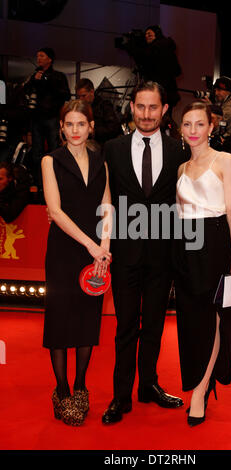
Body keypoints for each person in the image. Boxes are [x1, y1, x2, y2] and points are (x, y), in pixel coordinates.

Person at [102, 81, 187, 425]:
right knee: (125, 326)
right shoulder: (112, 148)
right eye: (141, 107)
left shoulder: (179, 149)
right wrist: (104, 245)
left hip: (162, 254)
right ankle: (120, 396)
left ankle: (148, 385)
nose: (147, 114)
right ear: (132, 107)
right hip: (124, 253)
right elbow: (105, 200)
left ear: (164, 110)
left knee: (153, 324)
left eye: (154, 107)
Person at [41, 99, 112, 426]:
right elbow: (55, 212)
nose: (74, 130)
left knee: (87, 319)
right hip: (63, 251)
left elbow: (107, 207)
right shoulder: (50, 161)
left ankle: (81, 385)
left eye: (80, 124)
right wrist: (91, 245)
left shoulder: (102, 161)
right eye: (68, 124)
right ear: (61, 128)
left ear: (91, 126)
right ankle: (62, 389)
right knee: (60, 319)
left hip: (96, 254)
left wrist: (105, 247)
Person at [173, 101, 231, 426]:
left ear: (211, 127)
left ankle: (200, 391)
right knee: (190, 321)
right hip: (185, 247)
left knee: (214, 317)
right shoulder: (181, 169)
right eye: (187, 124)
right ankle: (201, 380)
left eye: (199, 124)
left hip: (215, 243)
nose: (193, 131)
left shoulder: (225, 160)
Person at [23, 47, 71, 189]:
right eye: (37, 55)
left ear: (50, 59)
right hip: (37, 118)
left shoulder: (58, 76)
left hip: (52, 117)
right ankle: (39, 182)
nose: (38, 58)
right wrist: (35, 81)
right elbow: (26, 90)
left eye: (42, 55)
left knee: (54, 149)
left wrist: (45, 80)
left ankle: (56, 181)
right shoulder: (35, 75)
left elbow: (65, 95)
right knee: (37, 152)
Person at [75, 78, 122, 147]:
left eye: (83, 96)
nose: (80, 99)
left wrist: (93, 131)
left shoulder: (104, 106)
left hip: (103, 147)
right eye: (79, 96)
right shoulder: (81, 109)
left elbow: (113, 128)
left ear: (91, 92)